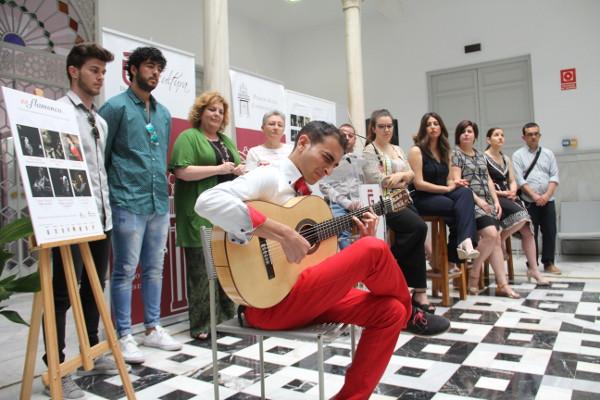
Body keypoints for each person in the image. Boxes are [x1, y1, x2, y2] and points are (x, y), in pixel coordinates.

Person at [195, 121, 450, 400]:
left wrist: (356, 239)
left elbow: (313, 260)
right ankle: (412, 311)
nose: (327, 170)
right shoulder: (270, 176)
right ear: (303, 143)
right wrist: (282, 233)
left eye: (334, 165)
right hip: (266, 304)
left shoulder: (311, 195)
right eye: (326, 158)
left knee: (390, 312)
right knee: (374, 249)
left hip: (302, 294)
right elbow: (208, 201)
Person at [41, 43, 118, 400]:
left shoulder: (99, 120)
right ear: (74, 71)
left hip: (100, 220)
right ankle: (54, 369)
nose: (100, 78)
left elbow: (98, 171)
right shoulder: (55, 112)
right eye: (93, 70)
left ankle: (90, 351)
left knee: (93, 287)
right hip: (67, 220)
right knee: (59, 295)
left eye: (103, 72)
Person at [99, 46, 181, 364]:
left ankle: (152, 328)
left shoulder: (162, 114)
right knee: (123, 271)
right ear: (132, 70)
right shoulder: (115, 107)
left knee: (154, 269)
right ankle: (123, 335)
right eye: (149, 67)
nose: (155, 73)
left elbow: (159, 157)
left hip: (157, 201)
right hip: (125, 200)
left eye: (159, 68)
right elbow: (101, 158)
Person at [169, 91, 244, 341]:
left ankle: (227, 319)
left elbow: (234, 166)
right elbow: (182, 171)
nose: (216, 114)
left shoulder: (225, 140)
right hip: (198, 214)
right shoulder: (188, 137)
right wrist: (219, 168)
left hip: (225, 215)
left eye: (220, 111)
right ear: (201, 112)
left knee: (225, 268)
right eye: (212, 109)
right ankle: (202, 325)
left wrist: (239, 169)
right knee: (201, 272)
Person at [363, 109, 438, 313]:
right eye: (382, 126)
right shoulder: (370, 151)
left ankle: (419, 291)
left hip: (404, 199)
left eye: (389, 126)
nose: (386, 130)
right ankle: (392, 260)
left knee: (417, 234)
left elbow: (411, 174)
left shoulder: (397, 148)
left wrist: (399, 177)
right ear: (373, 128)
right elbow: (375, 179)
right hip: (384, 203)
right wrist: (399, 178)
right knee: (419, 228)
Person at [450, 121, 519, 298]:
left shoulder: (480, 155)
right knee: (491, 235)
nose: (466, 134)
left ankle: (502, 285)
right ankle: (474, 273)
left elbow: (488, 180)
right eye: (463, 131)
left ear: (475, 135)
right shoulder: (456, 155)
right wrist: (479, 201)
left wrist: (495, 200)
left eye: (470, 131)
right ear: (458, 136)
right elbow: (459, 184)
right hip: (471, 203)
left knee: (495, 240)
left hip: (488, 201)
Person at [407, 112, 479, 266]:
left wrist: (454, 181)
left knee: (465, 193)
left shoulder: (446, 151)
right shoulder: (416, 151)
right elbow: (418, 183)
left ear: (441, 127)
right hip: (421, 198)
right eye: (429, 124)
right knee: (458, 208)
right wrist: (446, 189)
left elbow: (447, 180)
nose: (433, 127)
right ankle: (454, 255)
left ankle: (464, 242)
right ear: (423, 129)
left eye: (436, 123)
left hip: (441, 194)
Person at [484, 128, 550, 285]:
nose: (500, 138)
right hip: (495, 198)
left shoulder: (506, 158)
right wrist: (502, 194)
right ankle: (499, 238)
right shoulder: (483, 158)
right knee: (522, 216)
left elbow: (512, 179)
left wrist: (513, 190)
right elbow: (485, 183)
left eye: (502, 135)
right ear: (488, 140)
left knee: (528, 230)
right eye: (496, 135)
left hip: (509, 196)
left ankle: (533, 269)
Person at [512, 122, 561, 274]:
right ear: (524, 137)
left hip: (548, 200)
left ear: (539, 136)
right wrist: (534, 195)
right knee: (530, 233)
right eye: (530, 134)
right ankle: (532, 264)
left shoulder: (548, 154)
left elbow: (554, 176)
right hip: (529, 201)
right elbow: (520, 180)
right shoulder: (518, 155)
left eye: (536, 134)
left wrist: (546, 196)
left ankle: (549, 263)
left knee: (550, 231)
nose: (533, 137)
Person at [318, 123, 366, 249]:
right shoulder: (329, 158)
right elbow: (324, 186)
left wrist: (358, 202)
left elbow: (364, 183)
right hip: (338, 203)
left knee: (375, 220)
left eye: (351, 135)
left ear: (355, 140)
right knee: (340, 225)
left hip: (359, 202)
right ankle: (350, 261)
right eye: (343, 135)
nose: (347, 137)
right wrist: (346, 203)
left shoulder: (360, 160)